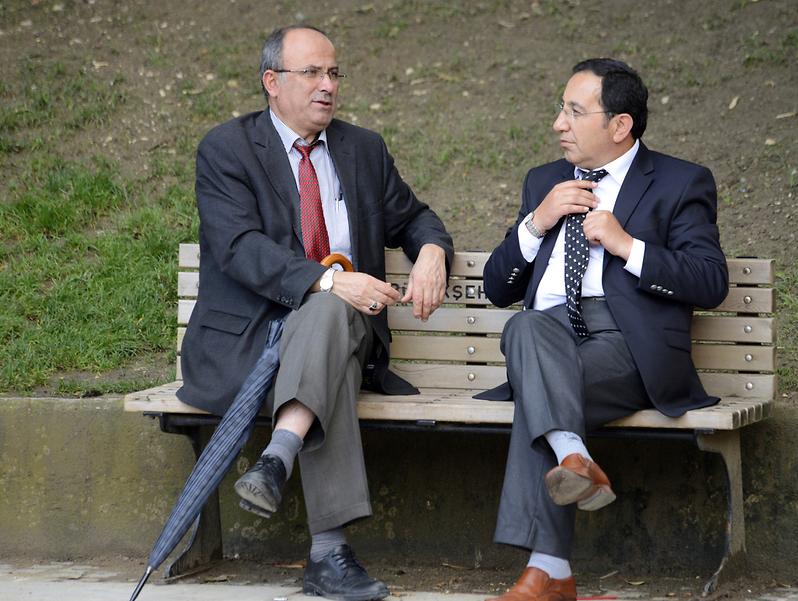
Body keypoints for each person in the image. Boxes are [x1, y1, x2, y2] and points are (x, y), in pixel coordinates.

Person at [176, 24, 453, 601]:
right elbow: (238, 247)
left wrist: (430, 251)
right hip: (249, 343)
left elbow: (414, 215)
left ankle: (276, 458)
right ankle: (330, 554)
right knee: (331, 325)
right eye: (312, 73)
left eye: (334, 73)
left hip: (339, 334)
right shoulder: (227, 149)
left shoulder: (363, 149)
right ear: (271, 82)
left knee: (330, 322)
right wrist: (331, 281)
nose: (327, 86)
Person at [479, 58, 729, 601]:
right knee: (525, 328)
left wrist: (626, 246)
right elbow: (497, 287)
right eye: (560, 110)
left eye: (574, 111)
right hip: (545, 337)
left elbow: (711, 281)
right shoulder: (544, 182)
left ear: (620, 126)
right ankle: (571, 461)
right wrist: (536, 222)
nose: (558, 124)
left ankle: (550, 572)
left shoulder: (679, 182)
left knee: (537, 394)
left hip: (627, 348)